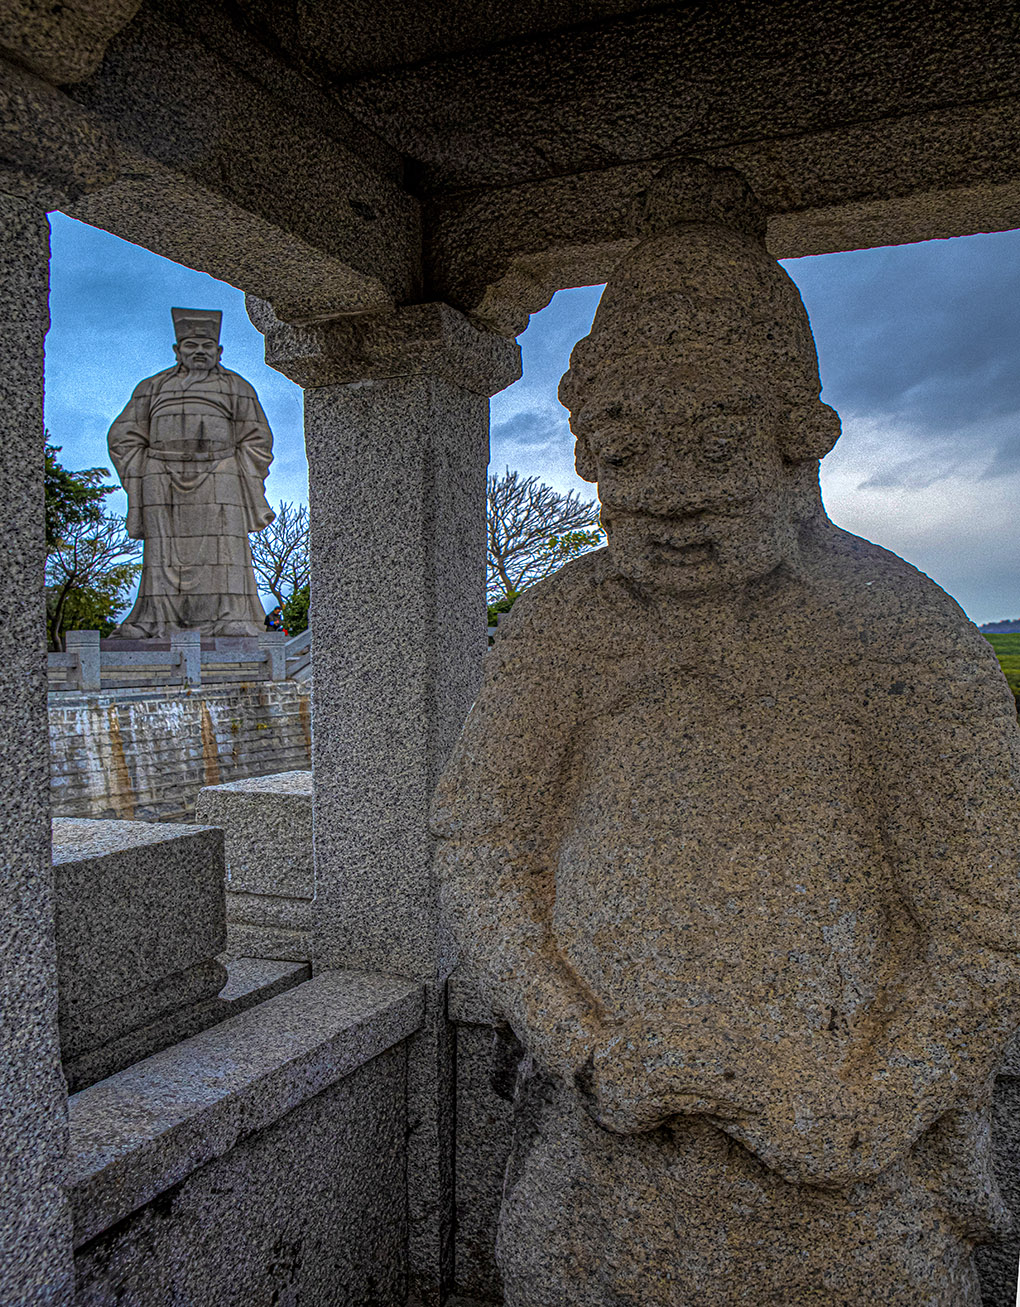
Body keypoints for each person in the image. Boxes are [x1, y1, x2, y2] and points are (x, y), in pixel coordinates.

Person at [432, 164, 1020, 1306]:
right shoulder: (566, 624)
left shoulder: (895, 631)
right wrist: (582, 1040)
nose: (667, 494)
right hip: (601, 1165)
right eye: (625, 449)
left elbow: (991, 919)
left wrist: (863, 1105)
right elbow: (478, 839)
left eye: (714, 448)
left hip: (846, 1196)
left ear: (800, 441)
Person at [108, 307, 275, 638]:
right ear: (177, 350)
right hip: (161, 476)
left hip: (222, 473)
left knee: (225, 548)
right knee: (162, 553)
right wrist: (145, 468)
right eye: (191, 346)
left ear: (219, 351)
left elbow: (258, 438)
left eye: (207, 347)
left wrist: (235, 467)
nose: (199, 352)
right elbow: (123, 435)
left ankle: (231, 615)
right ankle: (154, 619)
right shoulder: (151, 388)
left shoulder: (237, 388)